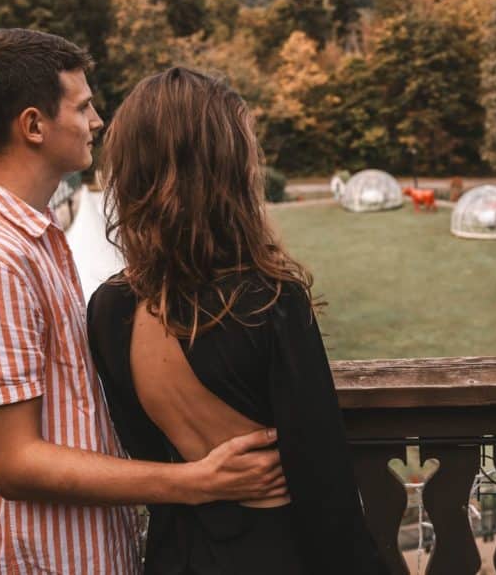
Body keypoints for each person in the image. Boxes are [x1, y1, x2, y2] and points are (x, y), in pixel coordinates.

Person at [0, 29, 287, 574]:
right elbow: (13, 462)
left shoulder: (18, 232)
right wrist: (194, 482)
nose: (98, 121)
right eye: (83, 106)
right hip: (39, 561)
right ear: (34, 125)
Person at [89, 67, 386, 574]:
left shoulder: (107, 307)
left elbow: (142, 448)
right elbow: (324, 483)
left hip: (175, 554)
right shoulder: (267, 300)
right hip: (275, 553)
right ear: (226, 170)